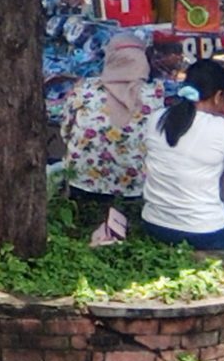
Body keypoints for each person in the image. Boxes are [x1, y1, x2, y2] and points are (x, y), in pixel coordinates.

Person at [137, 59, 224, 271]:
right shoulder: (221, 129)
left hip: (155, 224)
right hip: (202, 230)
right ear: (219, 96)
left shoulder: (157, 119)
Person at [58, 36, 165, 223]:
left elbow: (65, 131)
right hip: (133, 186)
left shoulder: (84, 90)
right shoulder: (154, 94)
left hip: (83, 183)